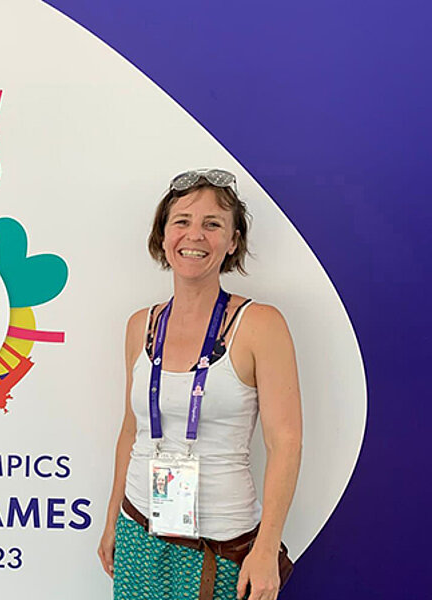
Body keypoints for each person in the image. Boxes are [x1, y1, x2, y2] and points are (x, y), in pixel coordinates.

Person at [97, 169, 302, 600]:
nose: (195, 235)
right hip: (140, 530)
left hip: (221, 545)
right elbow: (130, 431)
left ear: (232, 241)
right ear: (163, 235)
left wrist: (265, 548)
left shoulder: (261, 325)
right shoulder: (141, 325)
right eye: (182, 221)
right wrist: (113, 517)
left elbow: (286, 442)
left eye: (213, 224)